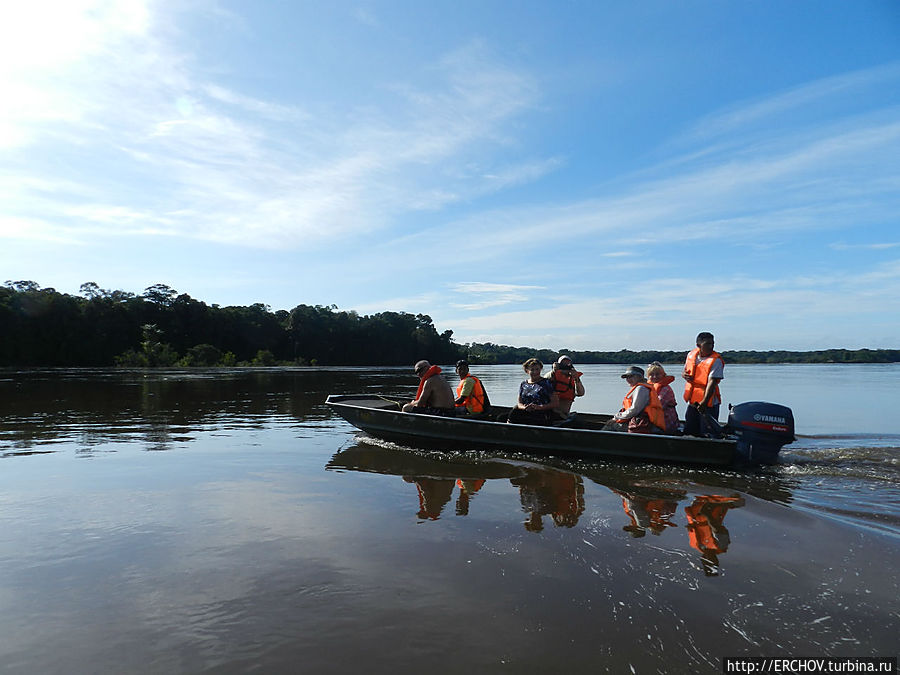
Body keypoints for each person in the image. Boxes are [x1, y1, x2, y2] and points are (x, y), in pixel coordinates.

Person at [681, 332, 724, 436]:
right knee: (690, 430)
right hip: (693, 401)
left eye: (712, 344)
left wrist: (704, 402)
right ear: (698, 345)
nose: (711, 346)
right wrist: (684, 374)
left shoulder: (716, 361)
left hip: (708, 403)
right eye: (708, 344)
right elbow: (685, 371)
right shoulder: (691, 355)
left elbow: (712, 383)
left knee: (707, 433)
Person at [604, 365, 665, 434]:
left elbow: (634, 410)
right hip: (644, 422)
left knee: (610, 426)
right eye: (626, 377)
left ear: (640, 377)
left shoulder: (641, 388)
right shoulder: (641, 387)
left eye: (631, 376)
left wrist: (616, 418)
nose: (628, 379)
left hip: (645, 425)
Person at [507, 357, 559, 425]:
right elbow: (520, 403)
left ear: (541, 369)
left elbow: (555, 403)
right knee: (503, 417)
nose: (535, 372)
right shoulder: (523, 384)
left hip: (542, 413)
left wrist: (539, 407)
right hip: (526, 411)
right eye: (532, 370)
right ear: (527, 371)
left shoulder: (547, 383)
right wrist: (525, 408)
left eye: (537, 369)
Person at [646, 361, 679, 434]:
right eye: (651, 374)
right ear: (648, 377)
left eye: (657, 374)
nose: (654, 376)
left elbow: (659, 405)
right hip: (655, 418)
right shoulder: (649, 387)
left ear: (663, 375)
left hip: (666, 421)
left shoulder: (665, 389)